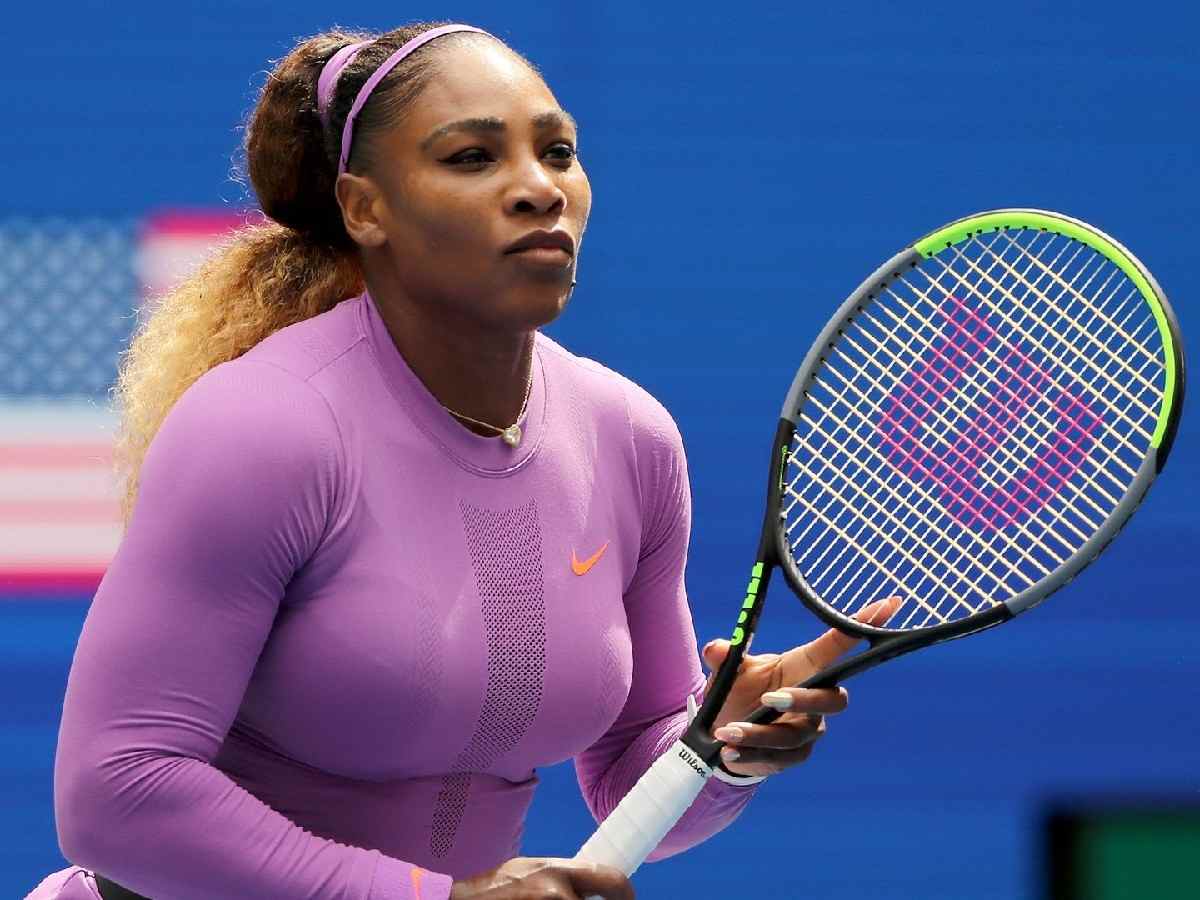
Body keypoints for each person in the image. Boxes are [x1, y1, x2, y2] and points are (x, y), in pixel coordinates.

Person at [28, 21, 894, 900]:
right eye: (472, 158)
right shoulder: (266, 427)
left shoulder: (631, 437)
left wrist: (720, 751)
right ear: (365, 208)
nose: (538, 190)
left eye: (558, 152)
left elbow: (633, 770)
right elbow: (115, 793)